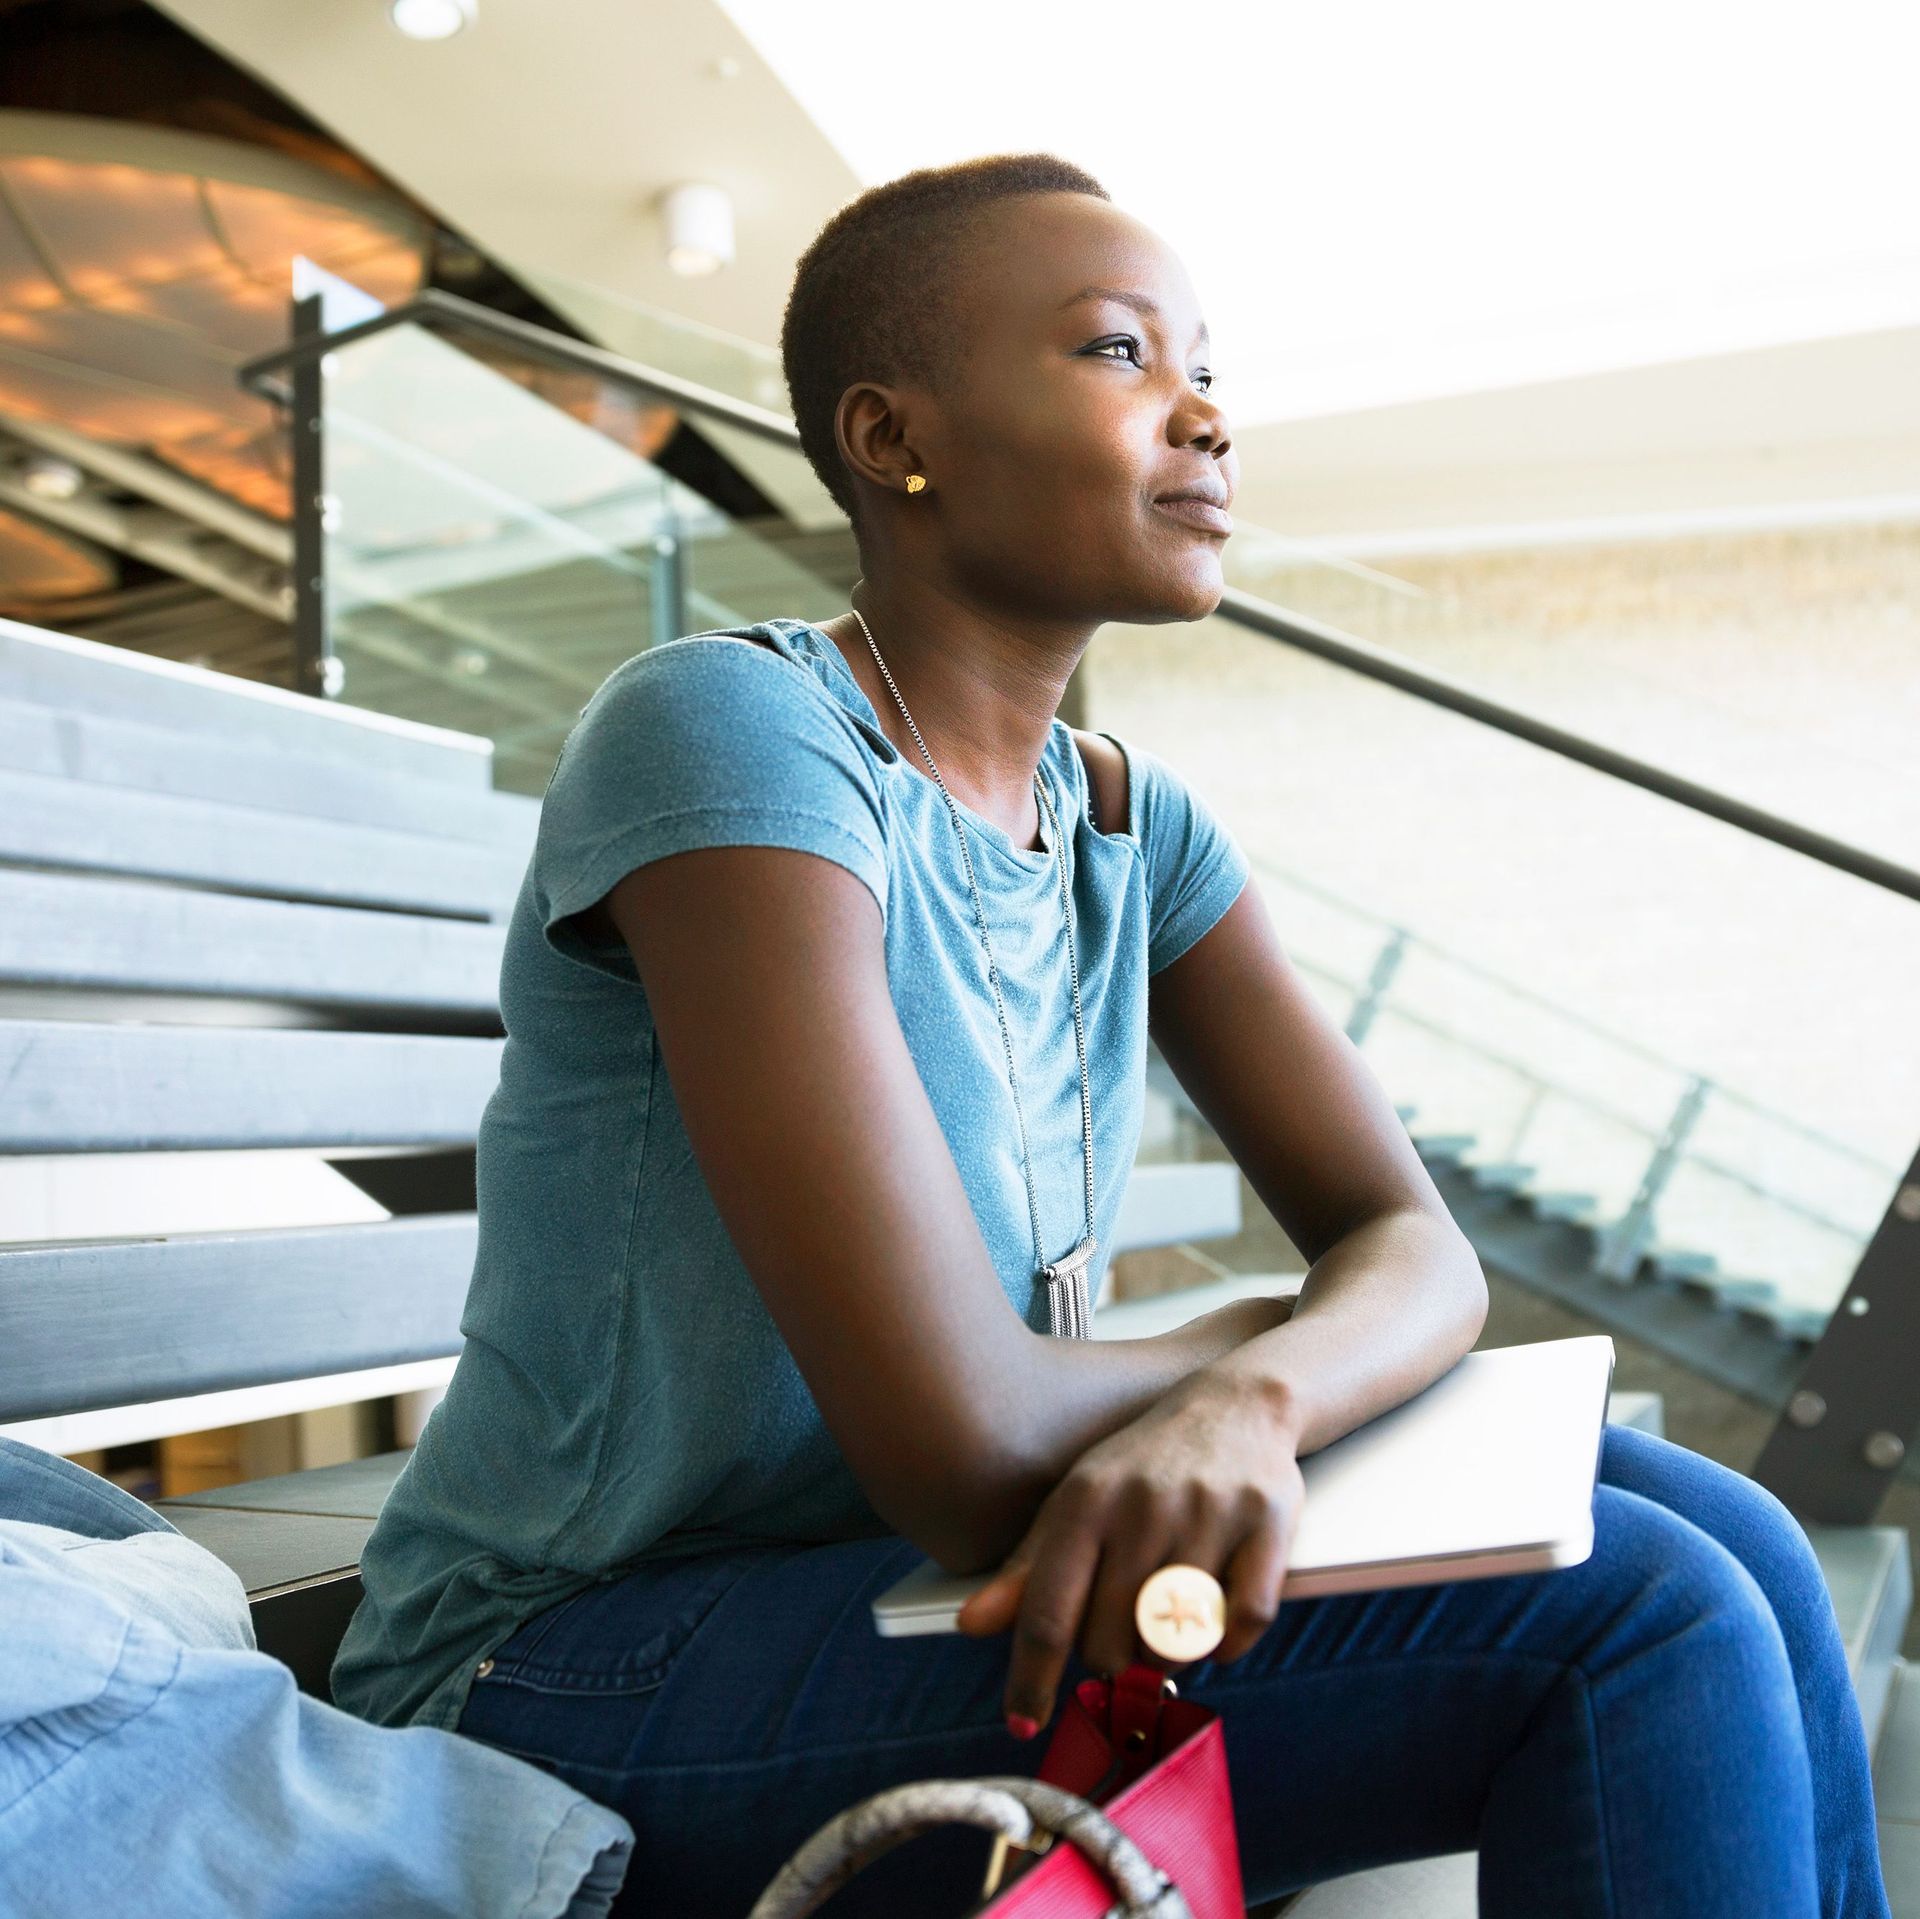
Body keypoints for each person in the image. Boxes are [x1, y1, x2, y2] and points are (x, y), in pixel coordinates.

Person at [329, 153, 1891, 1917]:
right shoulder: (729, 735)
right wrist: (1246, 1336)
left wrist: (1260, 1395)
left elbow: (1416, 1248)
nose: (1206, 413)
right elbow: (967, 1442)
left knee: (1740, 1538)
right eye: (1119, 352)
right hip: (557, 1673)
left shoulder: (1137, 828)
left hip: (888, 1591)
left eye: (1207, 365)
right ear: (890, 435)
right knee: (1645, 1618)